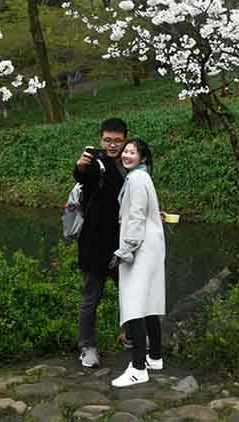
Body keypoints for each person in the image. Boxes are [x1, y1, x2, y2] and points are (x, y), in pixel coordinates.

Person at [111, 138, 166, 388]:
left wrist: (125, 250)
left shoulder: (135, 179)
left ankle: (138, 368)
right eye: (125, 151)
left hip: (140, 248)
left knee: (134, 305)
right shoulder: (142, 177)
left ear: (142, 158)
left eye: (132, 152)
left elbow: (135, 217)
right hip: (151, 246)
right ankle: (155, 357)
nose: (126, 155)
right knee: (149, 303)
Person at [74, 118, 129, 368]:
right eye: (108, 140)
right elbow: (85, 175)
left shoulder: (130, 164)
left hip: (123, 244)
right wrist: (80, 167)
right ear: (101, 139)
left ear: (125, 140)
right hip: (95, 243)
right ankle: (87, 347)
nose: (112, 145)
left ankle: (130, 336)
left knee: (129, 294)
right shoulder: (97, 163)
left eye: (117, 140)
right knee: (91, 298)